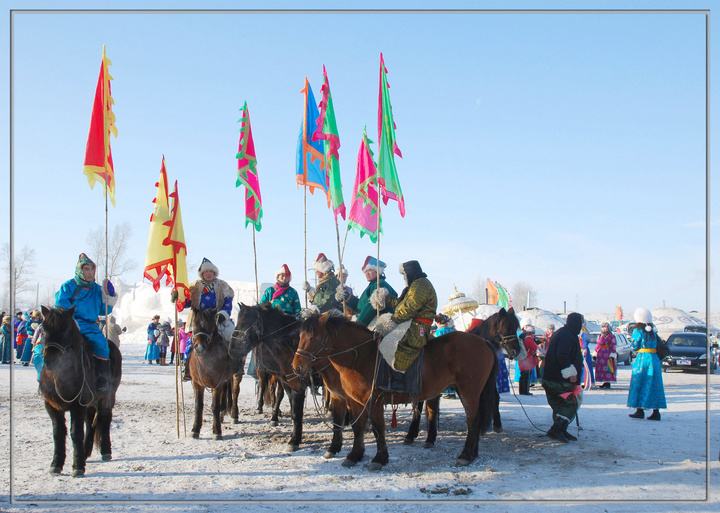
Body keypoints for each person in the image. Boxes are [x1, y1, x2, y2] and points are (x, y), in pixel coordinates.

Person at [54, 253, 117, 392]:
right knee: (47, 347)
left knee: (102, 345)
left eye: (92, 269)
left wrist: (109, 298)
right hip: (70, 323)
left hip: (90, 326)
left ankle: (102, 378)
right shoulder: (69, 286)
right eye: (86, 269)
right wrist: (70, 318)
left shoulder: (97, 289)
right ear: (80, 270)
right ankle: (47, 378)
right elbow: (60, 304)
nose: (89, 272)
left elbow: (102, 310)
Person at [372, 260, 438, 372]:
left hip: (418, 328)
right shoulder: (414, 286)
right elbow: (401, 304)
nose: (404, 278)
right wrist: (385, 298)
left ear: (410, 273)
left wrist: (391, 320)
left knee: (394, 347)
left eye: (404, 275)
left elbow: (410, 307)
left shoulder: (421, 285)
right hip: (411, 325)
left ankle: (399, 378)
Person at [176, 258, 235, 380]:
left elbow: (228, 302)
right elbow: (186, 302)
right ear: (202, 273)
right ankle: (187, 369)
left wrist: (224, 314)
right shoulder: (194, 286)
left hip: (217, 318)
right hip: (198, 319)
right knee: (191, 343)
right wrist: (178, 297)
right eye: (205, 272)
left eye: (211, 272)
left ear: (214, 273)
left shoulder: (223, 285)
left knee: (231, 337)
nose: (208, 274)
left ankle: (234, 366)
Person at [542, 312, 584, 443]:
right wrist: (571, 373)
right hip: (558, 379)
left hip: (552, 377)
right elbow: (562, 356)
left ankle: (561, 430)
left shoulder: (565, 333)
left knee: (560, 404)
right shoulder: (566, 335)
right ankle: (556, 430)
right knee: (571, 403)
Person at [627, 307, 666, 421]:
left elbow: (635, 346)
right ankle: (656, 411)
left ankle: (639, 410)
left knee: (639, 382)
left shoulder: (637, 331)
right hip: (654, 359)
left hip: (643, 359)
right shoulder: (653, 331)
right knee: (654, 384)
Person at [341, 256, 398, 327]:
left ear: (377, 271)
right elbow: (361, 306)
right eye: (365, 271)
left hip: (379, 324)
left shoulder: (379, 284)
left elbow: (372, 307)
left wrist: (358, 324)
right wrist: (346, 297)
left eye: (370, 270)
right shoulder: (372, 285)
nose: (367, 274)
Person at [434, 313, 457, 399]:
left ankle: (446, 392)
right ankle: (452, 391)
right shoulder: (453, 330)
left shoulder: (438, 332)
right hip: (454, 355)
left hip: (443, 356)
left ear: (438, 322)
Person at [517, 323, 539, 395]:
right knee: (526, 375)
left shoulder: (522, 337)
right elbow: (534, 347)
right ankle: (525, 391)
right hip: (527, 359)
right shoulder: (528, 338)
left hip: (522, 358)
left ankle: (522, 391)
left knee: (523, 375)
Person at [594, 322, 617, 389]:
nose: (604, 329)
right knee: (601, 368)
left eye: (605, 327)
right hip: (600, 354)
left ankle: (607, 382)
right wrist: (595, 351)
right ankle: (603, 382)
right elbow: (598, 345)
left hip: (608, 354)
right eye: (603, 327)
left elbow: (613, 345)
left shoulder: (612, 336)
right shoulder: (600, 335)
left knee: (608, 368)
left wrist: (612, 353)